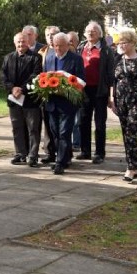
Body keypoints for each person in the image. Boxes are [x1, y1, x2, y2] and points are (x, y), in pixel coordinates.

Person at [110, 29, 137, 182]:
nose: (122, 45)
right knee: (126, 133)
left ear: (132, 43)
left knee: (132, 133)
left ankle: (131, 167)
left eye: (125, 42)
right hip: (121, 100)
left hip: (136, 100)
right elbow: (113, 81)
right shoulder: (117, 58)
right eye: (120, 42)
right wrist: (112, 99)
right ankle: (135, 167)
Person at [42, 33, 85, 175]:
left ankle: (59, 163)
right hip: (52, 103)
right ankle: (65, 157)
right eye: (55, 45)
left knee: (64, 132)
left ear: (68, 45)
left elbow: (81, 81)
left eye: (61, 45)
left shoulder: (76, 59)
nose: (58, 48)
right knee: (55, 132)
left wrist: (67, 83)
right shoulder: (48, 58)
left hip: (68, 103)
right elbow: (43, 78)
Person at [1, 32, 43, 167]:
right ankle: (20, 154)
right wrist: (12, 88)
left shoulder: (36, 57)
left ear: (28, 42)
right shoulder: (8, 58)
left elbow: (35, 75)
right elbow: (3, 76)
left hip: (30, 99)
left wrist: (22, 89)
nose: (21, 44)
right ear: (15, 43)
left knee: (33, 128)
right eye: (18, 42)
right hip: (14, 99)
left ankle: (33, 156)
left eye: (23, 42)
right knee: (17, 127)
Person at [78, 21, 115, 164]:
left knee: (100, 123)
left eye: (94, 31)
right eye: (88, 31)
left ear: (99, 34)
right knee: (83, 121)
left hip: (100, 91)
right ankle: (85, 151)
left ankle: (100, 153)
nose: (91, 33)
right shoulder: (81, 47)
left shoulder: (106, 50)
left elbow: (111, 73)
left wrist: (111, 95)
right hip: (83, 90)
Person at [38, 25, 61, 164]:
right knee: (48, 124)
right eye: (48, 35)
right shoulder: (43, 52)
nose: (50, 38)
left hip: (62, 93)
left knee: (61, 126)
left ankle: (63, 153)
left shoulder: (66, 49)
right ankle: (50, 152)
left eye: (53, 34)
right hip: (47, 93)